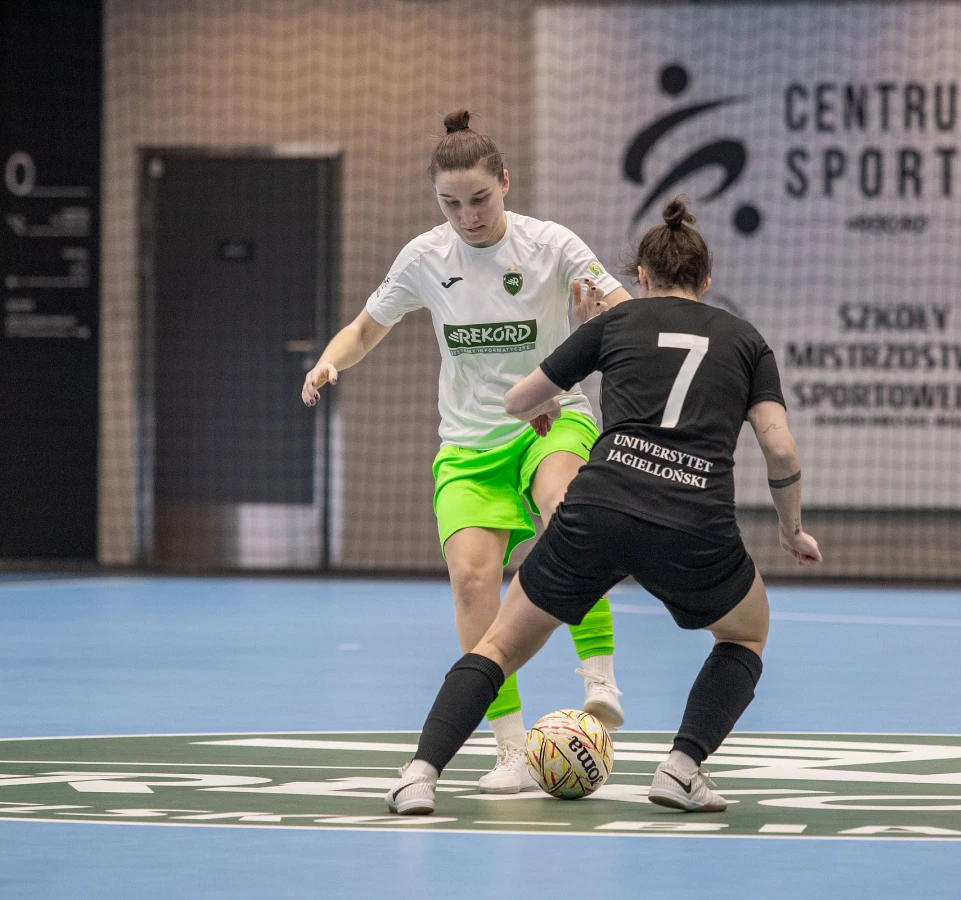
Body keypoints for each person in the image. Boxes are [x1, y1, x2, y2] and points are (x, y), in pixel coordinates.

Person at [384, 197, 821, 816]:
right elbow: (779, 448)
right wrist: (791, 528)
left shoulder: (617, 323)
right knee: (746, 634)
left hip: (600, 509)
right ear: (707, 279)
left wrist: (551, 395)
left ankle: (419, 776)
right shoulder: (747, 340)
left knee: (499, 646)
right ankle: (682, 768)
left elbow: (517, 400)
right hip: (694, 522)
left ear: (640, 277)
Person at [302, 110, 630, 794]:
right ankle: (511, 750)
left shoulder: (552, 244)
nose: (467, 216)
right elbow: (364, 329)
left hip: (551, 419)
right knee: (474, 584)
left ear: (505, 182)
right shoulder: (424, 258)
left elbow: (622, 308)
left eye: (479, 198)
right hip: (469, 444)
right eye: (450, 203)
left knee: (568, 509)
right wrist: (331, 361)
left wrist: (600, 324)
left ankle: (599, 676)